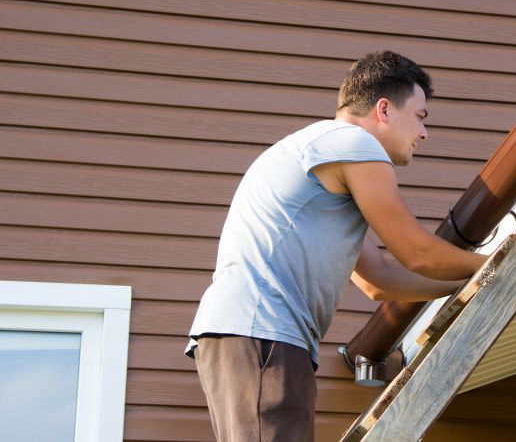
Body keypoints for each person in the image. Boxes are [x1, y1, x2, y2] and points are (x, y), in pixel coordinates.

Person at [186, 50, 486, 442]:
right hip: (264, 333)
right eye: (420, 117)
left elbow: (377, 279)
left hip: (250, 335)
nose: (424, 133)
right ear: (384, 109)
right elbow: (418, 253)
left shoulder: (323, 154)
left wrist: (458, 286)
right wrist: (494, 260)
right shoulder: (353, 144)